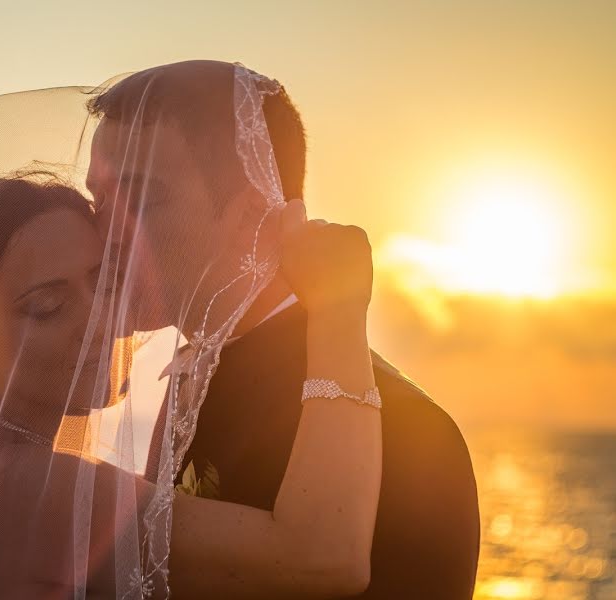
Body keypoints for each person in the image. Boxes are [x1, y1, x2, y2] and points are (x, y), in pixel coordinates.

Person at [0, 62, 379, 600]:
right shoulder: (30, 488)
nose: (100, 318)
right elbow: (322, 557)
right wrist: (338, 310)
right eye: (47, 306)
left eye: (99, 282)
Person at [87, 59, 481, 599]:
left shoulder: (405, 431)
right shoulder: (195, 379)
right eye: (98, 200)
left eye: (141, 197)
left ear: (253, 214)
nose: (102, 233)